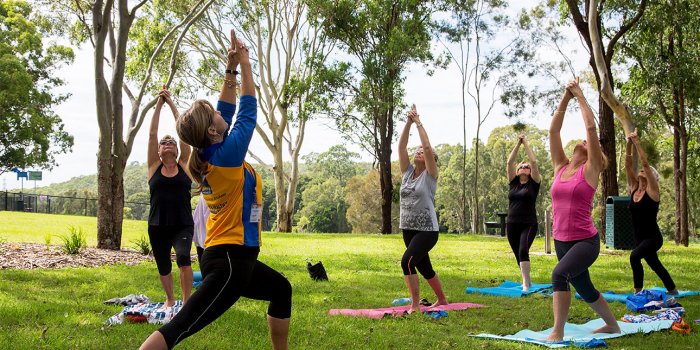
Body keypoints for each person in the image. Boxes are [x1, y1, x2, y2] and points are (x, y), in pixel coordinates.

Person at [140, 30, 291, 350]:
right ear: (212, 130)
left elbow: (229, 108)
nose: (224, 114)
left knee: (281, 289)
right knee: (178, 328)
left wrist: (231, 68)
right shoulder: (226, 157)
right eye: (217, 115)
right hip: (230, 262)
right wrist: (247, 65)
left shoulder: (212, 153)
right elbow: (248, 109)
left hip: (231, 257)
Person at [546, 79, 620, 341]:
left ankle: (558, 331)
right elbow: (553, 133)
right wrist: (565, 97)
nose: (584, 141)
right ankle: (612, 325)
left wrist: (579, 95)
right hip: (561, 240)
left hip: (585, 241)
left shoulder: (589, 171)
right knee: (584, 287)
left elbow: (590, 127)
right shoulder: (560, 167)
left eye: (590, 144)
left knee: (559, 275)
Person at [397, 104, 448, 313]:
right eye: (415, 150)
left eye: (423, 152)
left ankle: (415, 305)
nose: (419, 151)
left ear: (431, 161)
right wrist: (408, 123)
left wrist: (418, 123)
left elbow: (427, 148)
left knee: (407, 262)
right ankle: (442, 299)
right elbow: (401, 147)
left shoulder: (430, 176)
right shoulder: (407, 172)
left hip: (427, 230)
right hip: (408, 228)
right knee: (423, 266)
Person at [147, 87, 194, 308]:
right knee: (163, 265)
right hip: (157, 225)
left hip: (182, 224)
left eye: (171, 142)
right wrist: (159, 103)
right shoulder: (153, 167)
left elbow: (183, 132)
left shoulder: (184, 165)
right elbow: (152, 134)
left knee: (184, 259)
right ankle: (170, 299)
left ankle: (186, 303)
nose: (167, 142)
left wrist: (171, 103)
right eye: (164, 142)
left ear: (176, 149)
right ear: (158, 150)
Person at [624, 129, 678, 295]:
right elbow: (627, 165)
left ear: (652, 177)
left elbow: (645, 164)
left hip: (653, 238)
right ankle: (672, 289)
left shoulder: (653, 192)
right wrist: (628, 143)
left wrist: (637, 142)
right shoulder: (634, 188)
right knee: (655, 264)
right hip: (640, 238)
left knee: (634, 257)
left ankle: (637, 291)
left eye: (645, 171)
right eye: (640, 170)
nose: (641, 170)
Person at [506, 134, 541, 292]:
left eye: (526, 167)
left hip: (529, 223)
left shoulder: (534, 183)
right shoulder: (513, 182)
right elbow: (509, 162)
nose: (523, 168)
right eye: (521, 167)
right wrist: (517, 143)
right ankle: (526, 280)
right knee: (517, 255)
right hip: (512, 223)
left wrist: (525, 142)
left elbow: (533, 161)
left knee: (523, 250)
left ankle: (526, 284)